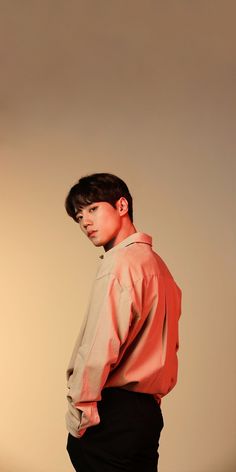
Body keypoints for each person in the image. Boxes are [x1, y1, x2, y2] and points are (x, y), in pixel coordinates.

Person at [64, 172, 181, 472]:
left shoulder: (119, 264)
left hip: (112, 414)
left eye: (92, 209)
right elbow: (168, 346)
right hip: (146, 416)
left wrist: (82, 410)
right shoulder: (159, 268)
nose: (85, 222)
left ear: (121, 206)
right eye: (79, 216)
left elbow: (100, 345)